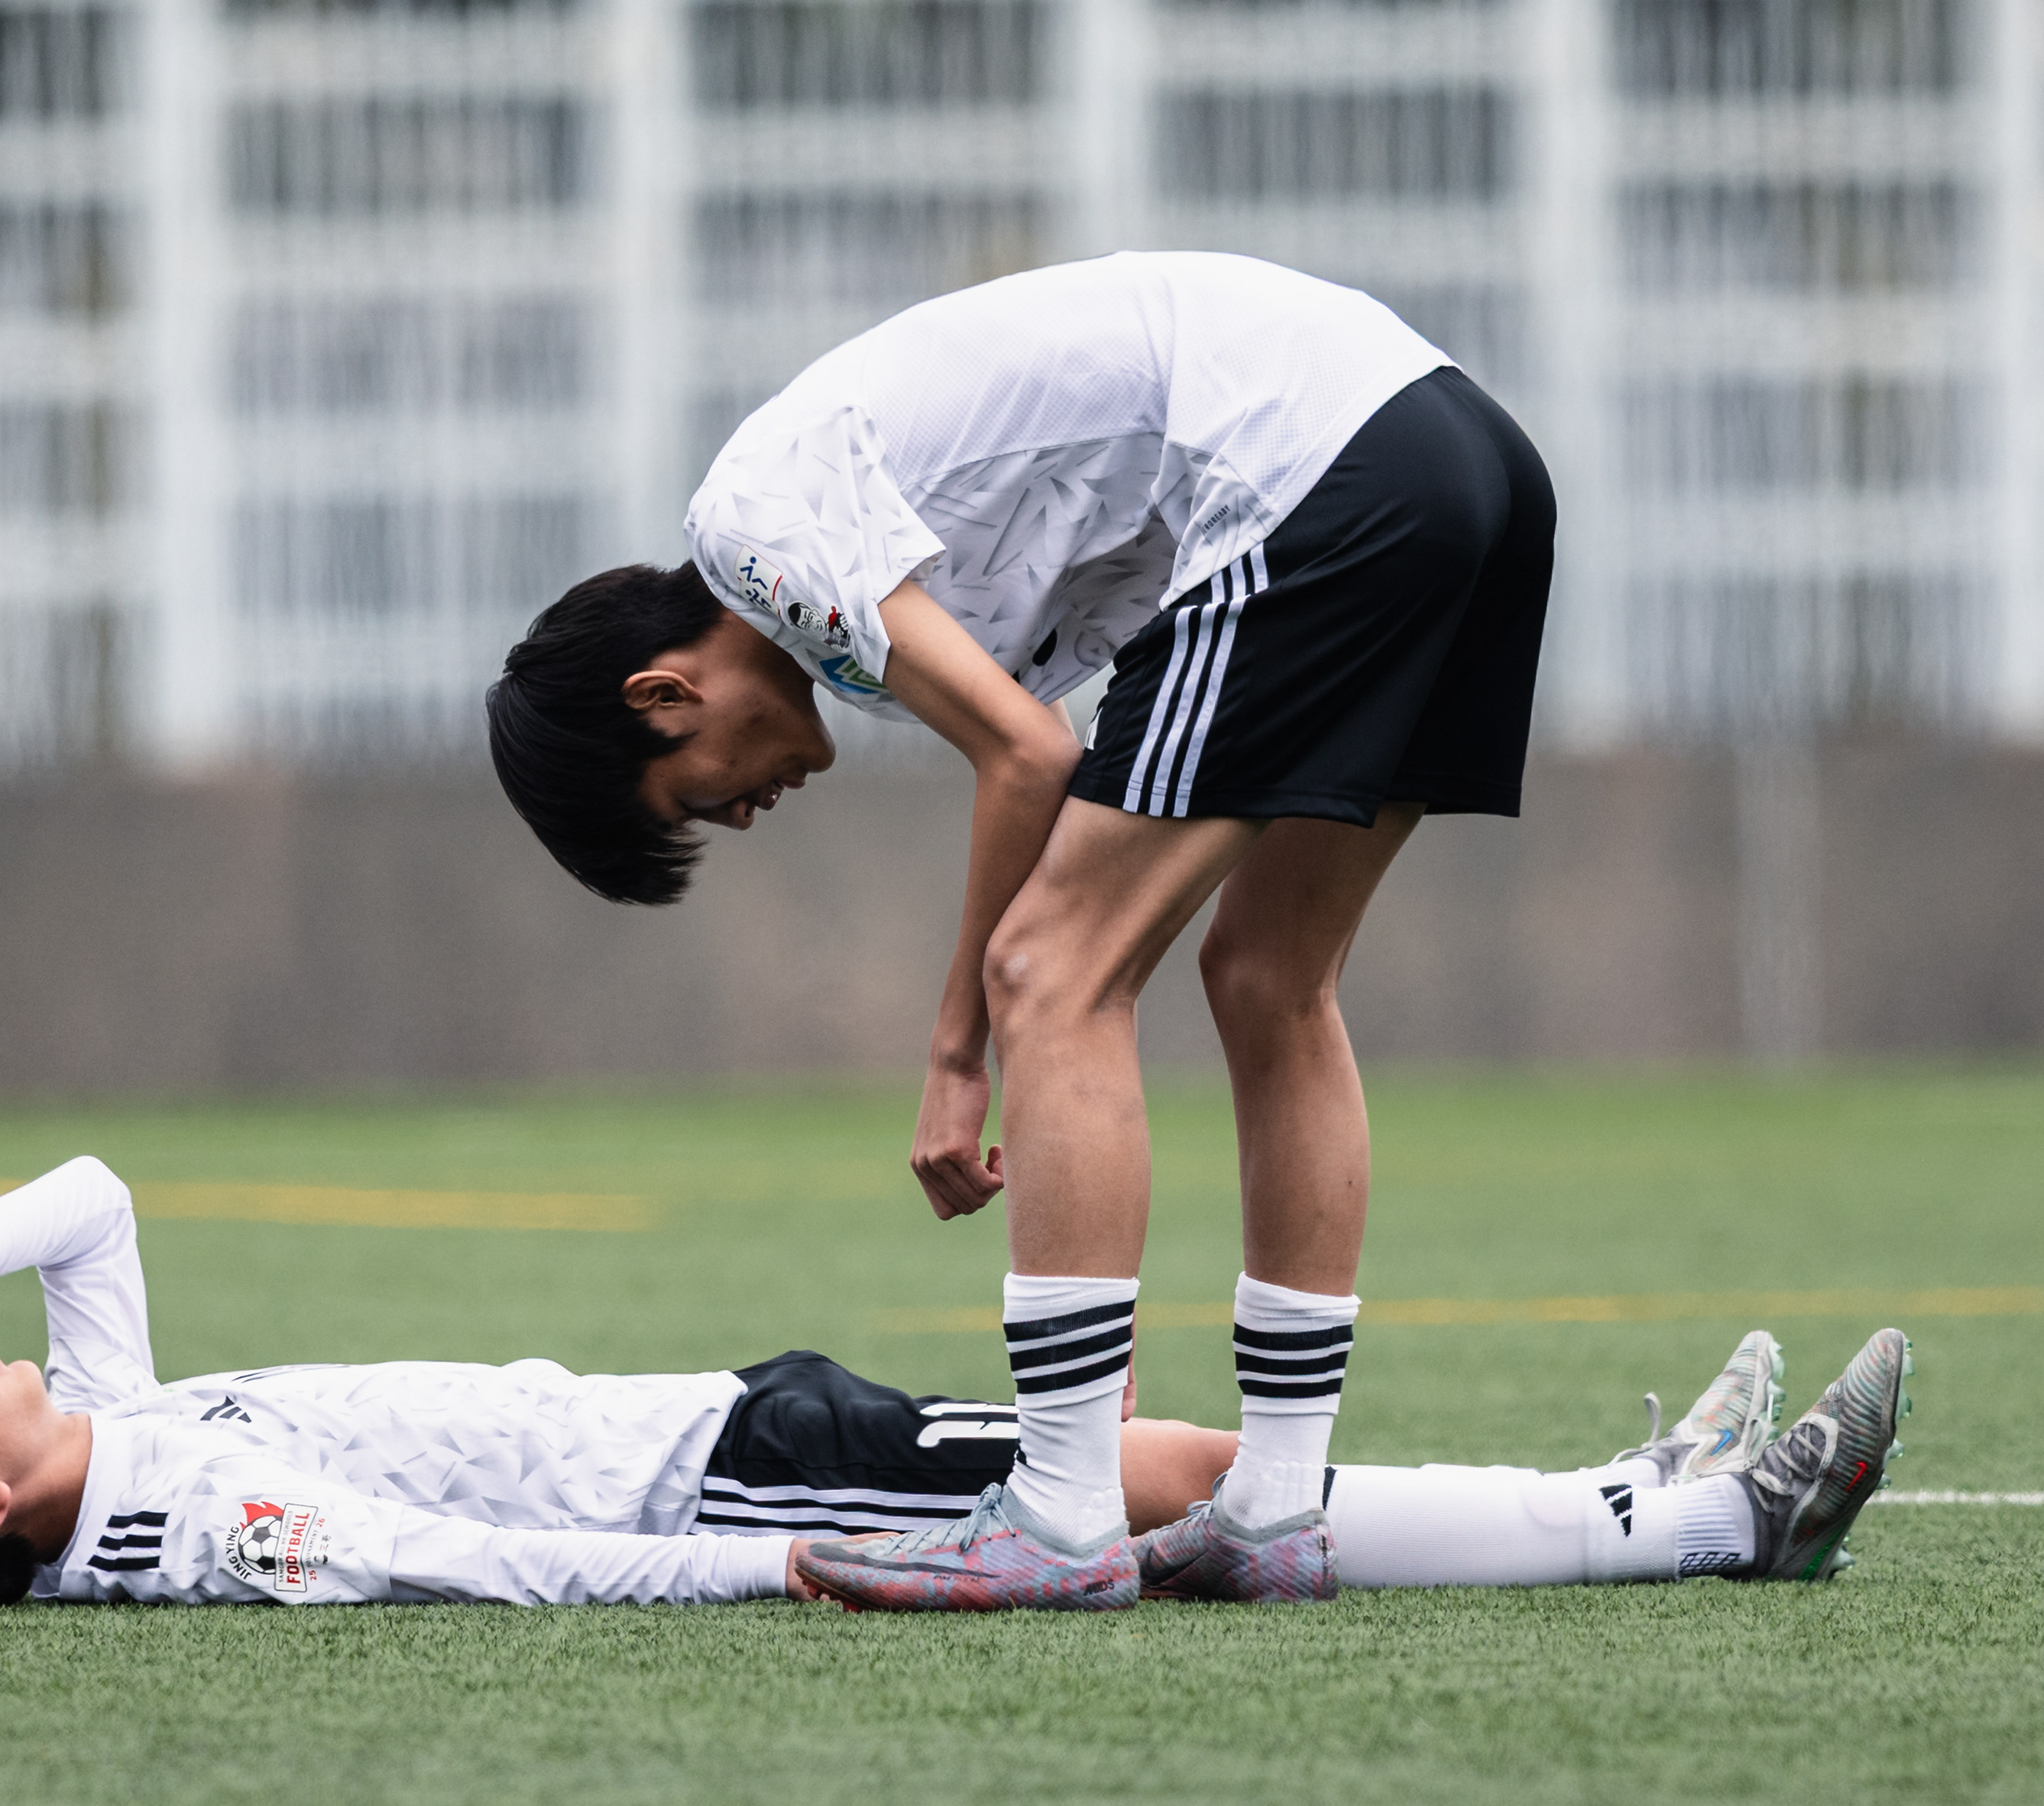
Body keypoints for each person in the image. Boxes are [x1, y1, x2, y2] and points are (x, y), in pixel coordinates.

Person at [484, 251, 1563, 1607]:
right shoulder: (874, 606)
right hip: (1465, 455)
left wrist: (959, 1049)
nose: (741, 815)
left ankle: (1059, 1511)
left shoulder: (748, 526)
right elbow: (1115, 709)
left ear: (661, 694)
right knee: (1267, 976)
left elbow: (1029, 756)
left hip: (1323, 466)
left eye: (690, 803)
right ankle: (1274, 1510)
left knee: (1049, 972)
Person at [0, 1159, 1911, 1614]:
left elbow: (92, 1197)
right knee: (1196, 1477)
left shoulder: (103, 1429)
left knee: (1201, 1499)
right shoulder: (199, 1527)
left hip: (731, 1418)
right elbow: (499, 1565)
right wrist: (797, 1563)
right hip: (731, 1473)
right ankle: (1684, 1516)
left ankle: (1637, 1500)